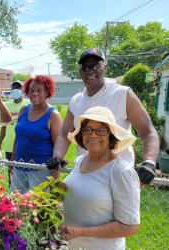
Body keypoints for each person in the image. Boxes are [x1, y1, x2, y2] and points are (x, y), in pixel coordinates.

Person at [47, 48, 159, 187]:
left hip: (118, 177)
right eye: (84, 67)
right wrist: (57, 156)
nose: (89, 70)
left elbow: (148, 131)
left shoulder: (123, 94)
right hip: (85, 174)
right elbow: (64, 134)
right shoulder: (76, 101)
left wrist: (149, 163)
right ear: (80, 72)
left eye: (95, 65)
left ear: (105, 68)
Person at [60, 106, 140, 250]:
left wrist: (82, 232)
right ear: (81, 134)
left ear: (111, 135)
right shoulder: (80, 161)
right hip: (69, 246)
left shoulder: (120, 171)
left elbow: (129, 227)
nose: (93, 135)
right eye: (87, 129)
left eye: (101, 130)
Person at [9, 75, 63, 194]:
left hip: (41, 170)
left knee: (35, 208)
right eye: (32, 90)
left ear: (47, 92)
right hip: (19, 167)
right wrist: (11, 163)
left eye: (39, 90)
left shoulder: (53, 115)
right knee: (14, 205)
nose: (34, 94)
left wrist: (55, 178)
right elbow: (17, 139)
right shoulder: (24, 109)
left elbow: (58, 147)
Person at [0, 80, 31, 185]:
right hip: (9, 145)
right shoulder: (6, 105)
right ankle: (13, 198)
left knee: (26, 173)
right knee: (11, 175)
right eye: (13, 88)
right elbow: (3, 126)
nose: (16, 90)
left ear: (23, 90)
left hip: (24, 145)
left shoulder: (29, 104)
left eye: (18, 88)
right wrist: (0, 142)